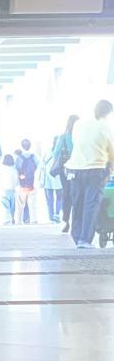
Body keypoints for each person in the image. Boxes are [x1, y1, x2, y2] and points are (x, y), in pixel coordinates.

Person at [68, 99, 114, 249]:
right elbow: (112, 152)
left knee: (77, 203)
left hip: (75, 168)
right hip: (96, 170)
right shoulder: (106, 127)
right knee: (91, 204)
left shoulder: (79, 124)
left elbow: (75, 142)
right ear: (108, 113)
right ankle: (84, 239)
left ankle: (77, 237)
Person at [48, 114, 78, 232]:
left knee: (66, 194)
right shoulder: (80, 137)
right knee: (78, 194)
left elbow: (55, 154)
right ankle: (77, 220)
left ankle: (66, 222)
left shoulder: (63, 137)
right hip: (79, 169)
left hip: (65, 170)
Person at [13, 139, 39, 225]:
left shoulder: (19, 158)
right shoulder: (34, 156)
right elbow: (38, 168)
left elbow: (16, 170)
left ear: (22, 146)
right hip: (31, 184)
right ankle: (33, 220)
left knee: (20, 205)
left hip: (22, 184)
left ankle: (19, 221)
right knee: (32, 204)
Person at [0, 153, 17, 225]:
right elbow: (16, 180)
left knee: (5, 206)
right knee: (12, 206)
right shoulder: (14, 169)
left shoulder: (1, 169)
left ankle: (7, 220)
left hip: (4, 190)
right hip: (12, 190)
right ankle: (13, 218)